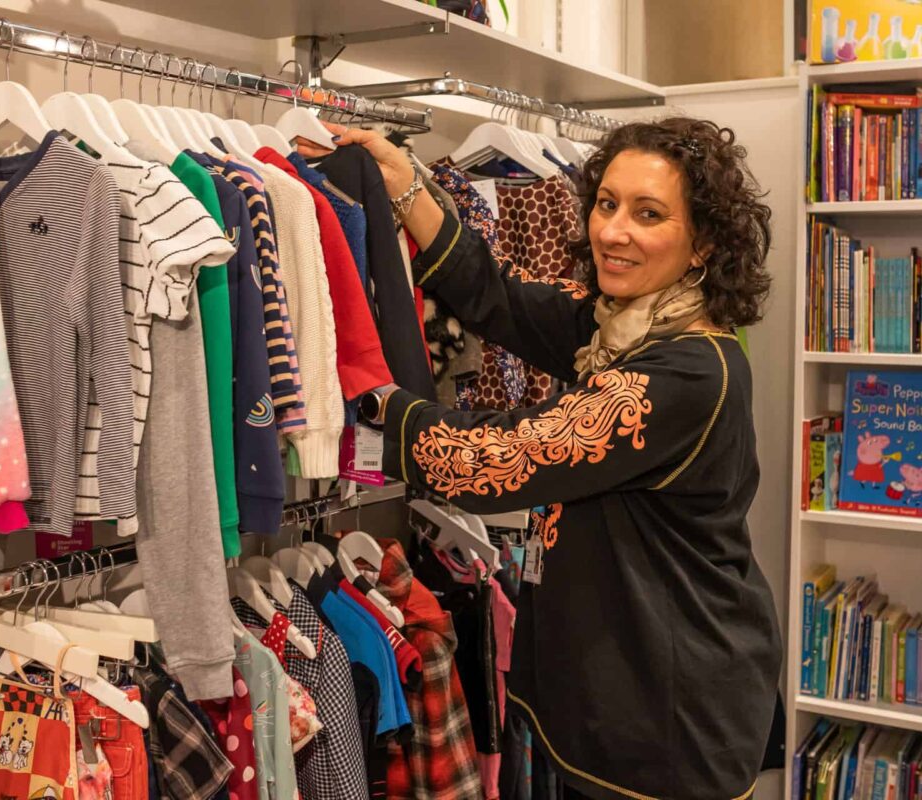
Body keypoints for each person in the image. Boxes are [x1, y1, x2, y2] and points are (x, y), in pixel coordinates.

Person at [304, 116, 782, 800]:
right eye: (608, 203)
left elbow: (495, 460)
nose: (613, 231)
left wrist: (371, 396)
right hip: (629, 680)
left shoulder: (689, 373)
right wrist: (408, 187)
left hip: (669, 718)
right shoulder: (626, 325)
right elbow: (496, 297)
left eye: (648, 214)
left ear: (703, 241)